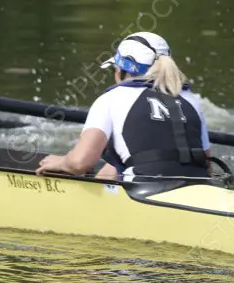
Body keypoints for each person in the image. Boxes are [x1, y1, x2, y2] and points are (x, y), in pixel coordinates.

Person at [36, 31, 212, 183]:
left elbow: (80, 163)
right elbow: (207, 166)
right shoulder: (191, 100)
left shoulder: (111, 98)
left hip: (144, 193)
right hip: (199, 188)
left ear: (122, 70)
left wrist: (60, 162)